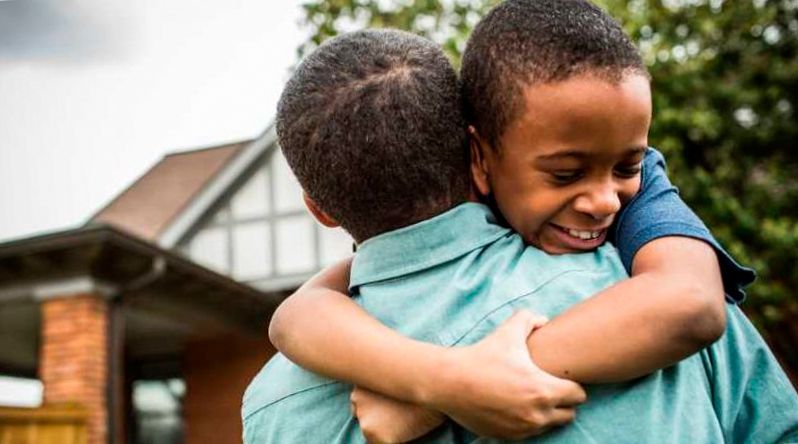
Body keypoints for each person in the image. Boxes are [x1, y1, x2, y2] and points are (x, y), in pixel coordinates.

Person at [242, 3, 798, 443]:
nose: (604, 201)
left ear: (319, 208)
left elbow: (296, 316)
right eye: (564, 173)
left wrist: (447, 385)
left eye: (629, 166)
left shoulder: (272, 409)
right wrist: (454, 379)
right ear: (478, 155)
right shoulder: (636, 277)